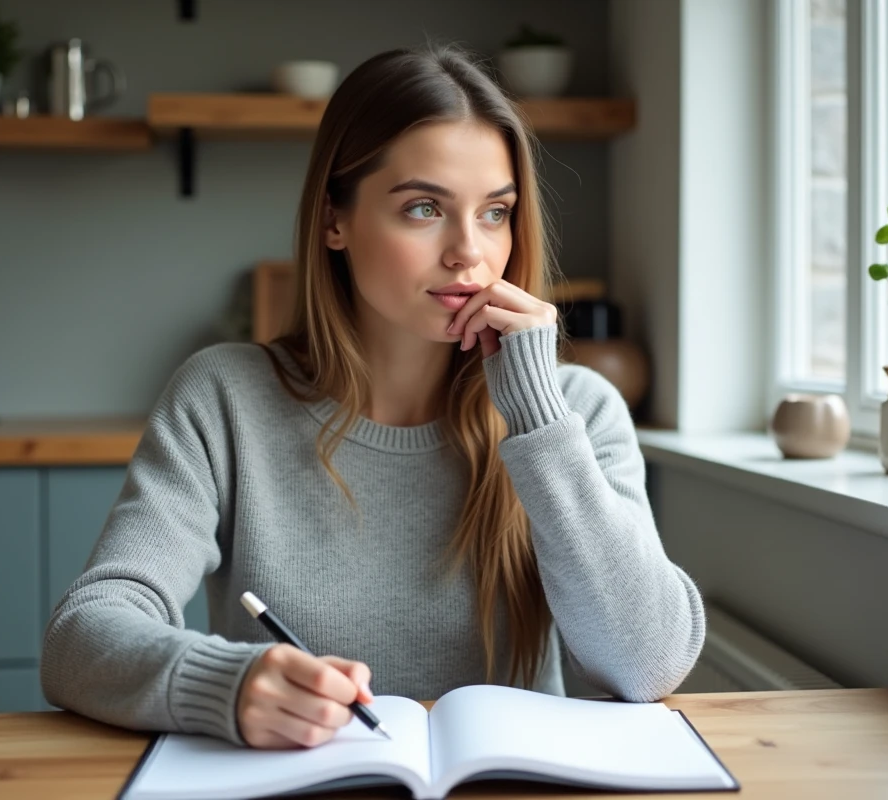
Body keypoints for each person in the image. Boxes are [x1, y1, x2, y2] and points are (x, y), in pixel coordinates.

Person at [40, 43, 705, 751]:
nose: (468, 253)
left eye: (495, 212)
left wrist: (537, 415)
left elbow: (649, 664)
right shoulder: (223, 398)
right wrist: (226, 683)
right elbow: (82, 637)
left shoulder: (577, 411)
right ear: (334, 220)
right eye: (424, 208)